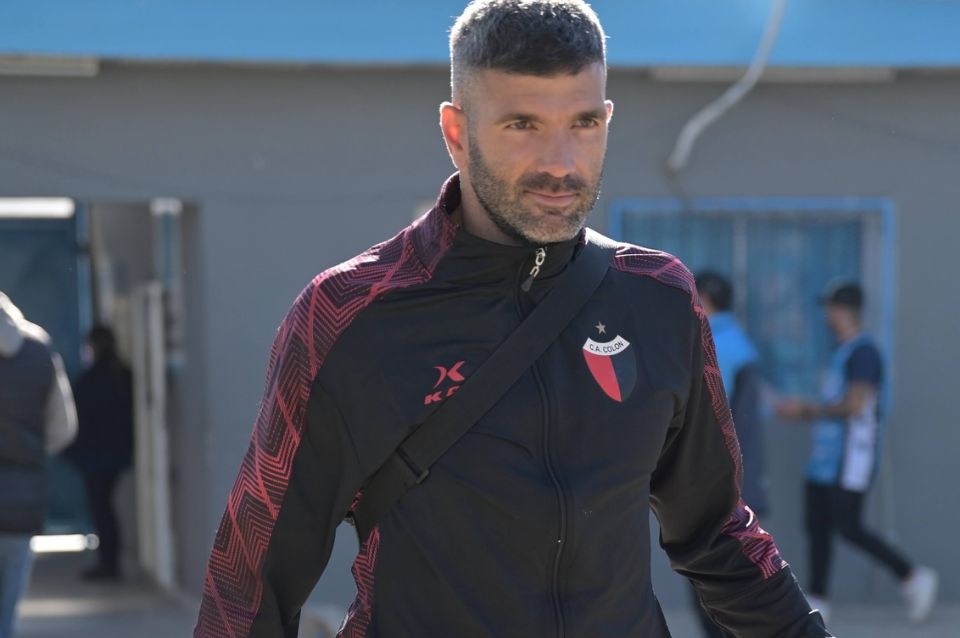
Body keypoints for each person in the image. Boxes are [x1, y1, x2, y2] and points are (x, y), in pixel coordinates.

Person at [195, 2, 830, 636]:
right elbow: (250, 584)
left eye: (583, 123)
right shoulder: (349, 315)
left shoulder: (658, 297)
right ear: (456, 132)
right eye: (522, 124)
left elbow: (716, 530)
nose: (561, 162)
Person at [777, 281, 938, 623]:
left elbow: (854, 405)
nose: (826, 315)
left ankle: (912, 576)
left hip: (850, 459)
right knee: (817, 528)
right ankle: (818, 599)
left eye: (829, 308)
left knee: (848, 526)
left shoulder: (864, 353)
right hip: (824, 460)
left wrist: (805, 410)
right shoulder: (841, 352)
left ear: (841, 310)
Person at [692, 272, 769, 638]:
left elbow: (704, 416)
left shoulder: (715, 344)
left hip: (718, 481)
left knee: (708, 574)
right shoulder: (737, 341)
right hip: (737, 478)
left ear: (703, 298)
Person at [0, 291, 77, 638]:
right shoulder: (39, 351)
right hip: (22, 498)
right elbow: (63, 428)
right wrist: (27, 449)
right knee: (6, 616)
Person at [66, 325, 134, 581]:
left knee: (101, 509)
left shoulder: (91, 379)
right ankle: (109, 562)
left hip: (95, 457)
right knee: (105, 508)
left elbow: (77, 418)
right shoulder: (122, 376)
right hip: (113, 455)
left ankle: (109, 564)